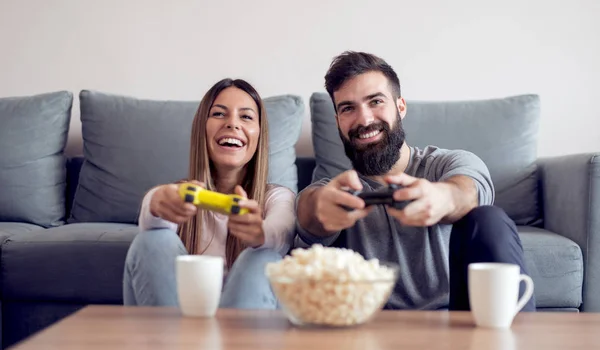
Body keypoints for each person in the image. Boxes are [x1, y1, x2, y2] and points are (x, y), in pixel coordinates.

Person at [296, 51, 536, 311]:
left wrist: (442, 198)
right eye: (348, 108)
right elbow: (308, 210)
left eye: (375, 101)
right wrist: (318, 208)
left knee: (489, 220)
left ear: (400, 107)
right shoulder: (334, 190)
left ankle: (511, 348)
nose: (364, 119)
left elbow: (467, 192)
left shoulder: (449, 163)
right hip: (371, 332)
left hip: (461, 322)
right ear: (337, 122)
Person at [123, 78, 295, 309]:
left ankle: (231, 345)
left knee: (263, 257)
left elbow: (281, 231)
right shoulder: (181, 194)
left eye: (246, 116)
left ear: (259, 135)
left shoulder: (278, 198)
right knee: (152, 240)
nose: (232, 124)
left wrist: (259, 233)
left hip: (247, 330)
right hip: (180, 322)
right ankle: (178, 344)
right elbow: (154, 221)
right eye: (219, 114)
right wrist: (155, 202)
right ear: (201, 128)